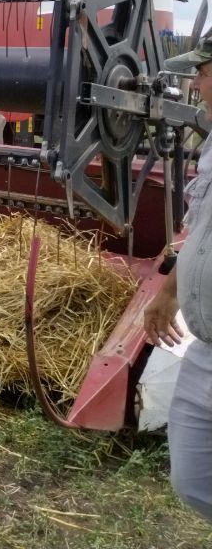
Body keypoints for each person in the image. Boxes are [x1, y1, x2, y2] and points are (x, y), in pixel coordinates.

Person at [143, 31, 212, 522]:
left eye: (202, 72)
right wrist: (168, 290)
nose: (195, 83)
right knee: (192, 481)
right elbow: (199, 228)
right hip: (205, 347)